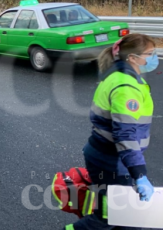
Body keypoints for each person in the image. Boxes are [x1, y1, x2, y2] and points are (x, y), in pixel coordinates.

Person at [65, 33, 157, 230]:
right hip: (113, 161)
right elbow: (125, 134)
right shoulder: (126, 86)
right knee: (109, 217)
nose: (153, 58)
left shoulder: (116, 74)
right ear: (132, 57)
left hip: (106, 155)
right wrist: (139, 174)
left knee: (125, 218)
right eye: (150, 53)